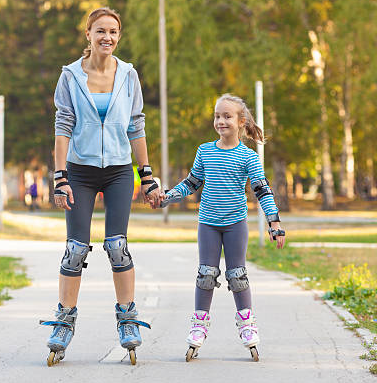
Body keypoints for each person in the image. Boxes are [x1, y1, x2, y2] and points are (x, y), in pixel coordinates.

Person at [40, 7, 161, 366]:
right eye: (100, 31)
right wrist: (59, 176)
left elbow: (136, 125)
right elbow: (63, 126)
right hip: (79, 170)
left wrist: (147, 173)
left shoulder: (128, 74)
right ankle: (64, 321)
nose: (107, 37)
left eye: (113, 32)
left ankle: (127, 319)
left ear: (118, 36)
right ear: (88, 34)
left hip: (120, 170)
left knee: (117, 246)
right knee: (75, 249)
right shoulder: (70, 76)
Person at [159, 94, 286, 362]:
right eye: (217, 116)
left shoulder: (248, 157)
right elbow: (191, 184)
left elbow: (262, 190)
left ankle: (247, 324)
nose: (220, 121)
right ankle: (199, 326)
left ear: (241, 121)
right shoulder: (205, 151)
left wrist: (274, 221)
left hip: (236, 224)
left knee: (237, 275)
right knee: (206, 274)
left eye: (227, 116)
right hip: (208, 223)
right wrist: (168, 197)